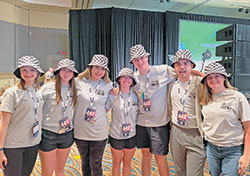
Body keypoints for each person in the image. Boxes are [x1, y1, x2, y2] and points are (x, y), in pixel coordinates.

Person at [130, 44, 175, 176]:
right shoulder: (133, 77)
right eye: (136, 59)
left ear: (147, 57)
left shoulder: (163, 70)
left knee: (160, 158)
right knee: (145, 156)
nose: (140, 61)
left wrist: (202, 75)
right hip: (142, 123)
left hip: (159, 123)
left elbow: (182, 72)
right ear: (132, 62)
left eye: (142, 58)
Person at [200, 62, 250, 176]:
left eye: (217, 75)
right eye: (209, 77)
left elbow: (248, 128)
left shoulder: (237, 97)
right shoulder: (206, 98)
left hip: (233, 149)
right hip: (212, 148)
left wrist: (246, 156)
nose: (213, 79)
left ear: (224, 77)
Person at [0, 56, 44, 175]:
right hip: (14, 145)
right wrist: (0, 150)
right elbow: (3, 123)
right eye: (24, 70)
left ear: (38, 72)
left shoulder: (37, 92)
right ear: (19, 72)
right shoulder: (12, 93)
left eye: (32, 70)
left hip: (32, 144)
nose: (28, 73)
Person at [168, 49, 206, 176]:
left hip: (194, 134)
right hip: (176, 133)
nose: (182, 67)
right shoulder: (171, 84)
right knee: (179, 172)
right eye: (178, 64)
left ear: (192, 66)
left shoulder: (200, 84)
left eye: (186, 63)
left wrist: (200, 74)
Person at [73, 54, 113, 176]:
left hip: (98, 131)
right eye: (96, 67)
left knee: (96, 164)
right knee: (85, 163)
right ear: (90, 68)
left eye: (102, 69)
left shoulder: (108, 85)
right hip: (80, 130)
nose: (99, 71)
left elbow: (107, 107)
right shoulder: (78, 81)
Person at [39, 59, 78, 175]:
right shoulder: (47, 88)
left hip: (67, 133)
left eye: (70, 71)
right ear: (58, 72)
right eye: (64, 70)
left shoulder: (75, 89)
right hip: (48, 134)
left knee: (60, 168)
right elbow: (36, 109)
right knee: (47, 171)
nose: (67, 73)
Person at [106, 68, 138, 176]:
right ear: (119, 79)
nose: (126, 79)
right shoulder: (113, 94)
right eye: (123, 77)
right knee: (116, 163)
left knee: (127, 163)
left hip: (132, 135)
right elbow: (104, 110)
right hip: (116, 135)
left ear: (132, 81)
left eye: (129, 77)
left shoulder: (136, 95)